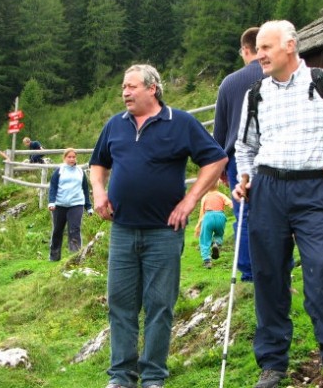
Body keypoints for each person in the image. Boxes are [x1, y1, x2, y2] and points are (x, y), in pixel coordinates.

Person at [233, 20, 323, 388]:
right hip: (266, 190)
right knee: (268, 276)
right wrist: (245, 177)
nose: (259, 54)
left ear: (291, 46)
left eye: (266, 48)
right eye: (258, 49)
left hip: (313, 188)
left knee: (320, 268)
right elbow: (245, 146)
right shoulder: (255, 94)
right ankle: (273, 365)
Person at [89, 64, 227, 388]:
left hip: (164, 232)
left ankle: (153, 376)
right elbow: (98, 164)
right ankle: (121, 376)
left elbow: (216, 159)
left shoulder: (180, 123)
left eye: (131, 86)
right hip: (122, 229)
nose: (125, 92)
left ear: (152, 89)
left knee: (159, 306)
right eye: (123, 86)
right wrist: (98, 190)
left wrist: (191, 199)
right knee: (120, 304)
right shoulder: (115, 126)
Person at [213, 26, 262, 282]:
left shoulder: (230, 82)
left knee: (244, 214)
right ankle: (279, 270)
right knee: (278, 214)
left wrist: (220, 167)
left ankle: (248, 272)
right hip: (274, 155)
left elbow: (220, 130)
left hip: (238, 159)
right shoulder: (275, 74)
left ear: (245, 49)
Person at [48, 148, 93, 261]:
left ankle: (75, 257)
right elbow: (53, 187)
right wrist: (51, 202)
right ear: (65, 158)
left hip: (76, 204)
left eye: (74, 157)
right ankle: (54, 256)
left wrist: (88, 206)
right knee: (57, 230)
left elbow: (85, 189)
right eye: (69, 157)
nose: (72, 159)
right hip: (60, 205)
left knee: (74, 230)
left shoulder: (80, 171)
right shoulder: (59, 171)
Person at [193, 179, 232, 269]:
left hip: (208, 216)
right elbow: (230, 203)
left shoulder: (205, 197)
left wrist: (198, 225)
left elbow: (202, 214)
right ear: (218, 184)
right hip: (220, 216)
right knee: (219, 234)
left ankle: (207, 260)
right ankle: (216, 243)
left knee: (205, 238)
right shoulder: (221, 195)